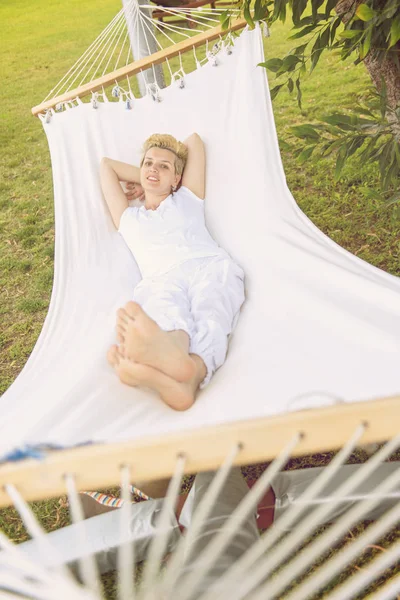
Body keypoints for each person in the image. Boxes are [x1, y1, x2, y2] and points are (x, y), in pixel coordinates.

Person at [100, 133, 246, 412]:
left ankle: (186, 375)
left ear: (177, 179)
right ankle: (181, 367)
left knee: (211, 311)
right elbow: (107, 166)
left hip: (208, 266)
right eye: (148, 163)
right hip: (160, 280)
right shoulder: (128, 218)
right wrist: (146, 178)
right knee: (164, 312)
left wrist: (152, 179)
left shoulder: (186, 198)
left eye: (163, 166)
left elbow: (194, 142)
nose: (153, 168)